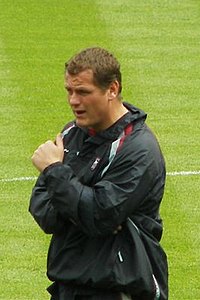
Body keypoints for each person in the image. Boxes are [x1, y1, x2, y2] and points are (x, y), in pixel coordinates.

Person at [29, 47, 168, 300]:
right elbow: (43, 211)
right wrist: (78, 202)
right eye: (69, 91)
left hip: (117, 288)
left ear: (112, 89)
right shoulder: (72, 133)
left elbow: (97, 215)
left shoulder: (138, 149)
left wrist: (54, 170)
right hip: (68, 286)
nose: (73, 100)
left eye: (83, 92)